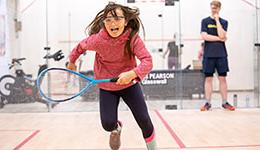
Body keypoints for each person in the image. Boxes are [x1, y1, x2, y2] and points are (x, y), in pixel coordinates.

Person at [66, 2, 157, 150]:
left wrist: (133, 73)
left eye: (117, 19)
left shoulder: (132, 38)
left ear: (126, 21)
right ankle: (117, 128)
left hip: (129, 85)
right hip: (107, 87)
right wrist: (71, 61)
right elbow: (80, 47)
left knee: (144, 120)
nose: (113, 23)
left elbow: (148, 61)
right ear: (104, 23)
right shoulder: (98, 40)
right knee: (108, 124)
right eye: (108, 20)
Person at [200, 0, 235, 111]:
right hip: (208, 55)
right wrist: (220, 39)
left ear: (219, 9)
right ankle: (207, 103)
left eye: (215, 8)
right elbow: (204, 36)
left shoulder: (224, 22)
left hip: (221, 55)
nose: (213, 9)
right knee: (208, 79)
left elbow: (222, 33)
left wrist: (217, 20)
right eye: (212, 7)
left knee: (222, 78)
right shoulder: (204, 21)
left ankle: (225, 103)